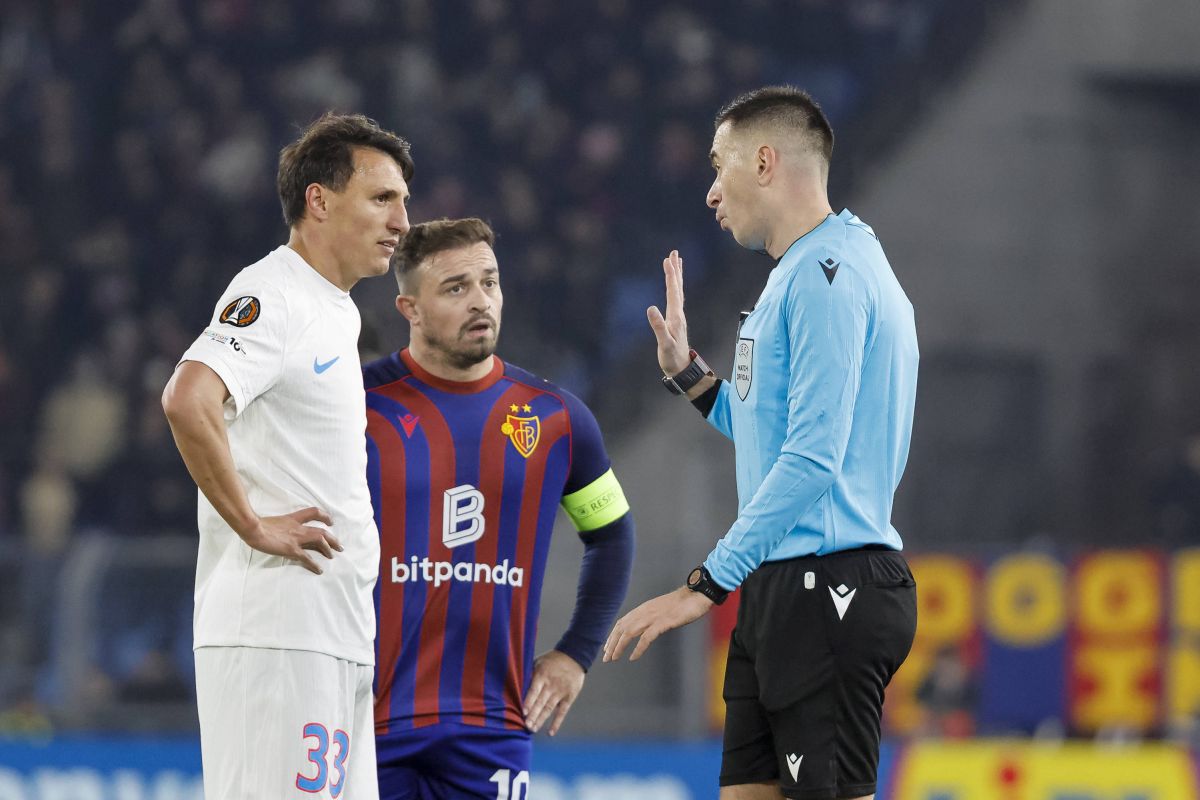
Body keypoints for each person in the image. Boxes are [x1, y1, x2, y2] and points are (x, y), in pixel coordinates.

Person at [604, 86, 920, 800]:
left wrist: (704, 584)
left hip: (830, 583)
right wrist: (690, 376)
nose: (712, 192)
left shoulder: (829, 277)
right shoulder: (806, 271)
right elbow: (771, 431)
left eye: (720, 166)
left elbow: (812, 460)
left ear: (766, 162)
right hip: (784, 585)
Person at [161, 112, 413, 800]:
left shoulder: (337, 309)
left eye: (403, 201)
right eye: (381, 198)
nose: (401, 221)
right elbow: (188, 398)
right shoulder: (272, 293)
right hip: (276, 630)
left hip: (334, 632)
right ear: (319, 201)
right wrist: (251, 524)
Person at [363, 217, 635, 800]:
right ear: (410, 308)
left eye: (489, 282)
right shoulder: (355, 406)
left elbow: (612, 535)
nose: (480, 301)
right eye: (455, 288)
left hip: (490, 728)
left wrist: (576, 653)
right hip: (362, 719)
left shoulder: (557, 418)